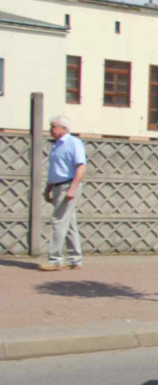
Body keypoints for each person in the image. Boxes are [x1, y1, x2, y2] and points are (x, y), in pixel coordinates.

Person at [40, 116, 87, 271]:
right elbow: (55, 170)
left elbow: (81, 167)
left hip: (68, 185)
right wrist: (48, 189)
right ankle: (75, 260)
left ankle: (55, 260)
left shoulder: (74, 143)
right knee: (69, 222)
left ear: (63, 128)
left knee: (58, 221)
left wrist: (73, 188)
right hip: (57, 186)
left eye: (53, 126)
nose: (50, 129)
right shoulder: (56, 146)